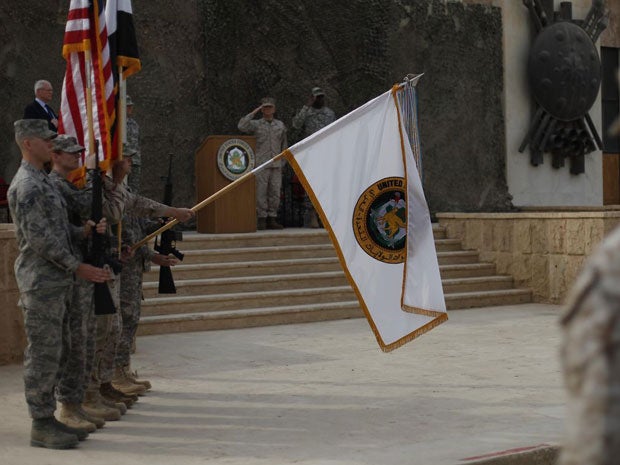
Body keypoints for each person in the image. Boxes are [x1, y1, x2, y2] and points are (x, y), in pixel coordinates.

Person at [8, 120, 111, 449]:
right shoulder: (26, 185)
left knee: (61, 349)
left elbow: (59, 227)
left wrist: (83, 232)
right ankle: (41, 422)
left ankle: (52, 416)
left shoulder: (45, 183)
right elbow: (40, 240)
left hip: (59, 281)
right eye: (46, 140)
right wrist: (77, 266)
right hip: (41, 283)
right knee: (43, 353)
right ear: (27, 143)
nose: (52, 145)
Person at [49, 134, 127, 431]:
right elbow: (84, 204)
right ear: (55, 155)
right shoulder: (56, 184)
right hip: (70, 272)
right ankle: (71, 403)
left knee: (89, 337)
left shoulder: (66, 184)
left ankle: (82, 398)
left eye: (80, 153)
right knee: (75, 342)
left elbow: (89, 214)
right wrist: (96, 175)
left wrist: (91, 230)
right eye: (71, 153)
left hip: (82, 266)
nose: (77, 157)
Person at [111, 147, 194, 395]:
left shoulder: (123, 193)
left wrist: (162, 223)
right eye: (125, 158)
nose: (130, 162)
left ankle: (122, 369)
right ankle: (115, 373)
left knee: (131, 320)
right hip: (123, 268)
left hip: (133, 268)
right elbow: (125, 240)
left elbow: (137, 226)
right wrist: (153, 254)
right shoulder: (114, 196)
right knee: (124, 321)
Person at [238, 97, 288, 230]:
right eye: (265, 107)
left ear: (274, 109)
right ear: (261, 109)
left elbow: (284, 144)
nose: (268, 110)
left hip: (276, 162)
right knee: (260, 192)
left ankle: (272, 218)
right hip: (261, 163)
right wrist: (254, 112)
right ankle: (261, 218)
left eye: (270, 107)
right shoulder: (256, 124)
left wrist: (283, 161)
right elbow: (241, 126)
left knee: (275, 192)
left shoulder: (280, 125)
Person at [292, 87, 335, 228]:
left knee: (326, 185)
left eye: (321, 97)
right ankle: (311, 215)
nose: (320, 99)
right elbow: (296, 125)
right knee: (311, 184)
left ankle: (324, 215)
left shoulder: (329, 113)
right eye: (317, 97)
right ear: (312, 98)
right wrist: (306, 107)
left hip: (327, 153)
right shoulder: (306, 112)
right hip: (311, 154)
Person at [125, 95, 141, 193]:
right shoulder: (117, 123)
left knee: (134, 191)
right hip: (123, 161)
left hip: (135, 162)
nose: (130, 108)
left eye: (131, 106)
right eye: (128, 106)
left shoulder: (134, 124)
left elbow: (138, 142)